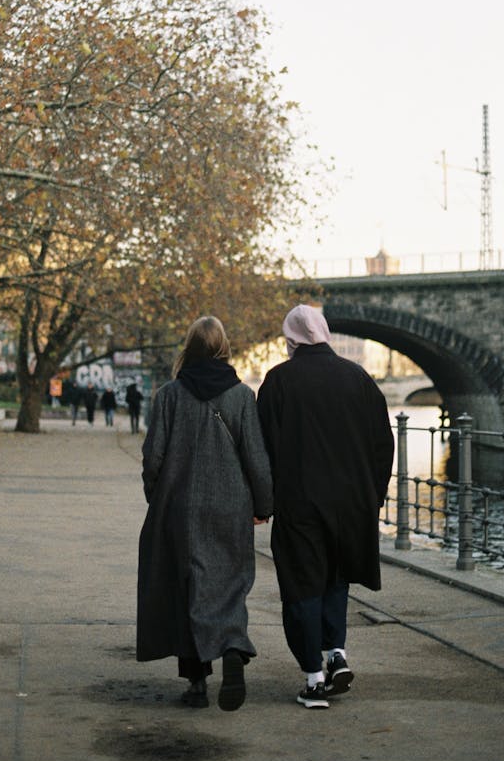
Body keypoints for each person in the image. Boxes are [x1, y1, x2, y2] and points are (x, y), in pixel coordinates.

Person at [257, 304, 394, 709]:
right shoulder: (358, 378)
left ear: (291, 338)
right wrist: (374, 496)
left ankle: (314, 678)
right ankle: (337, 653)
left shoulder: (278, 381)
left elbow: (263, 448)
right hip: (352, 502)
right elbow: (382, 444)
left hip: (300, 503)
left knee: (302, 584)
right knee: (337, 578)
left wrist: (263, 502)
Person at [136, 315, 273, 711]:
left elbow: (153, 458)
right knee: (229, 582)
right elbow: (256, 460)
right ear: (223, 348)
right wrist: (264, 505)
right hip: (230, 506)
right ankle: (232, 648)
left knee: (187, 588)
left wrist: (157, 498)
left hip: (179, 509)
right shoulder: (242, 397)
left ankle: (196, 684)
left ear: (189, 348)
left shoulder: (169, 396)